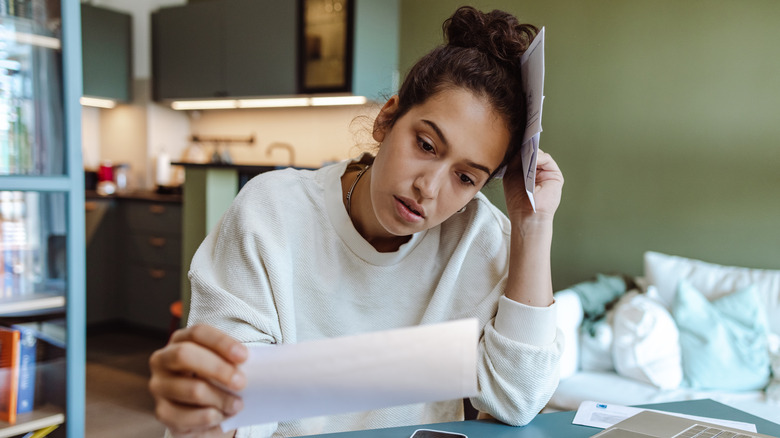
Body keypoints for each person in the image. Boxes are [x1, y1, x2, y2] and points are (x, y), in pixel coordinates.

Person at [149, 5, 565, 438]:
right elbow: (233, 407)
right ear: (387, 119)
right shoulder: (269, 214)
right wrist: (207, 413)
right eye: (425, 144)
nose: (429, 187)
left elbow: (518, 398)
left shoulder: (479, 239)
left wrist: (532, 227)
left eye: (465, 177)